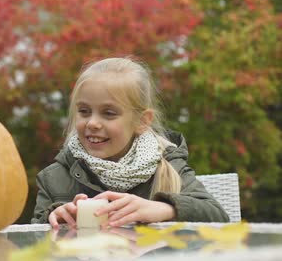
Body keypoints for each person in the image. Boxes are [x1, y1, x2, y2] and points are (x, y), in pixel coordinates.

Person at [32, 57, 229, 228]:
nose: (92, 123)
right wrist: (56, 217)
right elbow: (32, 238)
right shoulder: (54, 177)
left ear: (142, 121)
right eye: (84, 111)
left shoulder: (168, 165)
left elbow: (218, 217)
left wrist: (164, 208)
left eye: (108, 113)